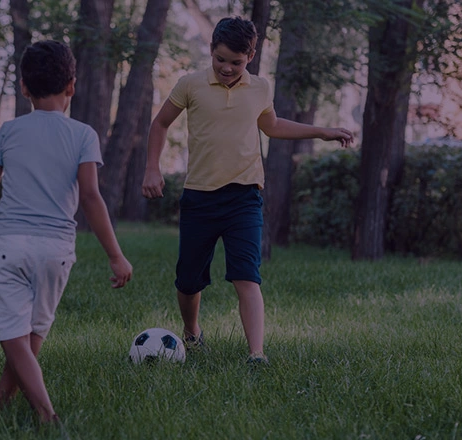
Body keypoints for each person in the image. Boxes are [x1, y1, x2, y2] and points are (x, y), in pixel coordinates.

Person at [141, 17, 354, 364]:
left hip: (244, 196)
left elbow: (271, 126)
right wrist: (152, 167)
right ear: (211, 50)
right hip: (199, 197)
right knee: (188, 281)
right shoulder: (190, 84)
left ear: (251, 55)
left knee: (247, 275)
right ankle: (192, 332)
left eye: (236, 62)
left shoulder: (259, 88)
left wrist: (322, 131)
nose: (227, 68)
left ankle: (257, 354)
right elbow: (160, 123)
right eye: (220, 59)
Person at [0, 40, 133, 424]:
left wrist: (6, 229)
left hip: (9, 247)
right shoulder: (83, 135)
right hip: (56, 250)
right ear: (72, 87)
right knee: (28, 340)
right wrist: (115, 254)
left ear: (24, 87)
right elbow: (91, 198)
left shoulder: (9, 131)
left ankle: (46, 415)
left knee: (15, 340)